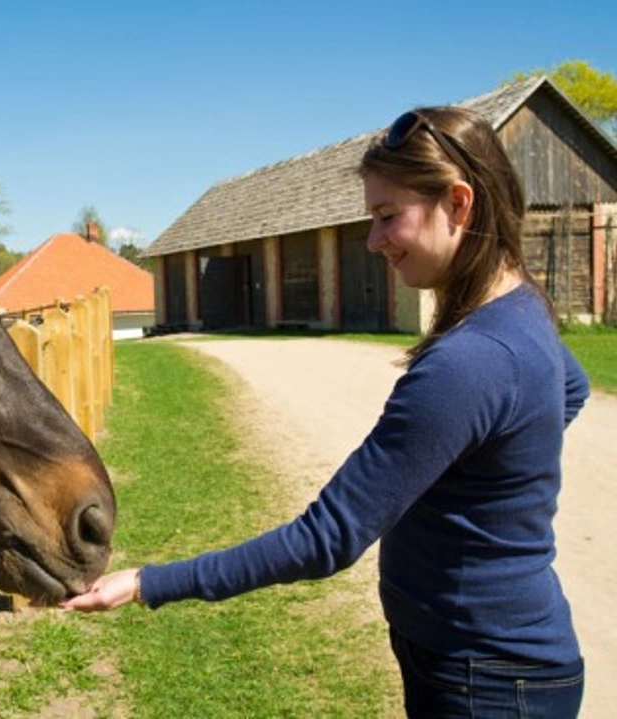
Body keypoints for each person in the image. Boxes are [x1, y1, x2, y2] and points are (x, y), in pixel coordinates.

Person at [63, 106, 589, 718]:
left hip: (485, 679)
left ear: (459, 204)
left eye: (389, 216)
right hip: (496, 664)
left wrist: (148, 582)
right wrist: (485, 473)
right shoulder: (519, 311)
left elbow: (325, 539)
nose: (374, 241)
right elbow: (569, 389)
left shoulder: (469, 362)